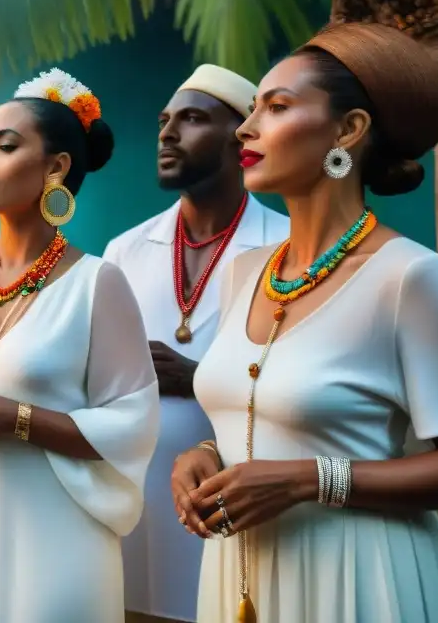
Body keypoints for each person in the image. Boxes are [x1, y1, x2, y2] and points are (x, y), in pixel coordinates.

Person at [173, 23, 438, 623]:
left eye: (276, 108)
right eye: (252, 111)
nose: (247, 129)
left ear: (348, 130)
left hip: (362, 580)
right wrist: (200, 453)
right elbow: (261, 406)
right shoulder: (245, 271)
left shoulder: (410, 277)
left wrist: (308, 480)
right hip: (239, 577)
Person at [0, 68, 160, 623]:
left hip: (56, 536)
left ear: (56, 168)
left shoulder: (98, 284)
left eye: (6, 146)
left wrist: (16, 418)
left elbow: (134, 422)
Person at [104, 65, 288, 623]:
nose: (167, 133)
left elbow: (310, 377)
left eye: (191, 118)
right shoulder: (125, 250)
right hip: (136, 500)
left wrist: (198, 376)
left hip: (240, 493)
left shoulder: (286, 244)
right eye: (164, 120)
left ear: (242, 137)